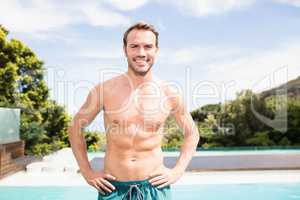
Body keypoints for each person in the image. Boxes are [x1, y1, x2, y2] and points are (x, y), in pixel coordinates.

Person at [68, 22, 200, 200]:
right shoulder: (104, 90)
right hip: (113, 189)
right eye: (134, 46)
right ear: (125, 50)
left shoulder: (169, 93)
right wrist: (87, 172)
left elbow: (192, 133)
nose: (141, 53)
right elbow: (75, 128)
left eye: (148, 47)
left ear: (156, 50)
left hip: (154, 188)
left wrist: (177, 171)